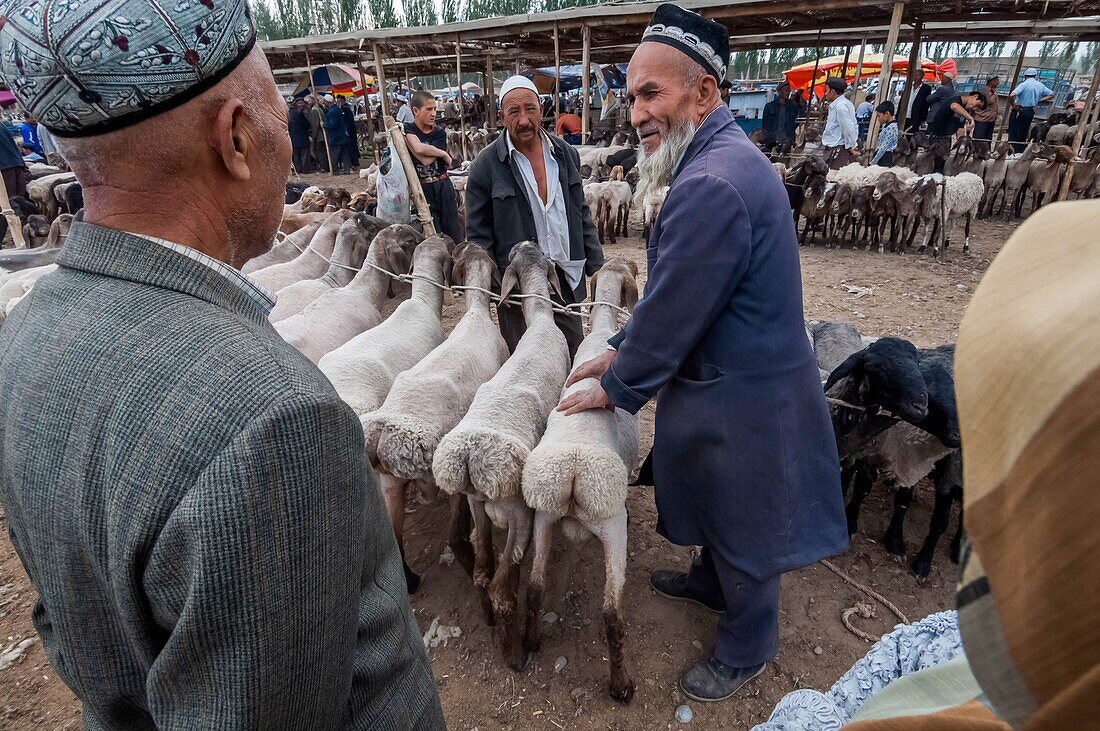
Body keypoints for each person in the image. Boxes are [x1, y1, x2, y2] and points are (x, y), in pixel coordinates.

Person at [0, 0, 444, 727]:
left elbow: (71, 623)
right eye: (274, 108)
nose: (289, 147)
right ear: (236, 138)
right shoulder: (273, 419)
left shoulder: (24, 338)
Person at [557, 3, 845, 703]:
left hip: (744, 393)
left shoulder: (713, 181)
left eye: (651, 92)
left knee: (745, 517)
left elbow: (680, 304)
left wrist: (619, 382)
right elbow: (678, 294)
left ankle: (749, 642)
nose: (636, 112)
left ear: (705, 92)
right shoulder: (718, 161)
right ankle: (711, 583)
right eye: (631, 96)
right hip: (736, 377)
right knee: (721, 501)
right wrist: (622, 344)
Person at [465, 76, 602, 359]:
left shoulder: (564, 154)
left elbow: (580, 211)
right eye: (514, 112)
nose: (524, 119)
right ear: (502, 116)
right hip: (518, 287)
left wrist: (596, 265)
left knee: (573, 355)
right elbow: (479, 240)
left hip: (565, 275)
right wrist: (498, 290)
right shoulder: (485, 166)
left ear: (542, 109)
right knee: (526, 361)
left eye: (530, 109)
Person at [404, 90, 461, 242]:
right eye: (429, 109)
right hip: (423, 189)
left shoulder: (439, 133)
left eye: (435, 109)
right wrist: (443, 154)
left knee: (452, 232)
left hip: (443, 186)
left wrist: (410, 145)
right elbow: (420, 151)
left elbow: (426, 159)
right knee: (432, 233)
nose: (433, 113)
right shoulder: (408, 128)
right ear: (415, 111)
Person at [1008, 68, 1054, 153]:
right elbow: (1052, 94)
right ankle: (1020, 152)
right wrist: (1039, 101)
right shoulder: (1040, 85)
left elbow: (1012, 95)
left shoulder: (1024, 84)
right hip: (1030, 111)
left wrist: (1013, 105)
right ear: (1035, 76)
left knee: (1014, 132)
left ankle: (1012, 151)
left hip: (1019, 110)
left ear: (1025, 76)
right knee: (1024, 132)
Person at [821, 77, 860, 169]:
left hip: (837, 149)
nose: (825, 94)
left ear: (832, 92)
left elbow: (848, 129)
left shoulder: (840, 107)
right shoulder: (844, 104)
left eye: (826, 90)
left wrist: (851, 147)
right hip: (834, 147)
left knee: (832, 177)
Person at [761, 82, 798, 152]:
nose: (788, 93)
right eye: (786, 90)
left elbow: (795, 122)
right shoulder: (769, 107)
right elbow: (764, 125)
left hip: (787, 141)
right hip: (772, 141)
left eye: (789, 91)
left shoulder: (793, 106)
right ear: (780, 92)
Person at [324, 93, 350, 174]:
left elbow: (333, 124)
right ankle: (347, 169)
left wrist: (324, 125)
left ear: (327, 102)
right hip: (341, 135)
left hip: (335, 137)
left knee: (335, 154)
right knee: (344, 154)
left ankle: (335, 170)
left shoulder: (332, 111)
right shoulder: (337, 109)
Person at [971, 76, 1000, 150]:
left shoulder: (993, 92)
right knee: (978, 141)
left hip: (990, 120)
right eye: (996, 80)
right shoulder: (983, 92)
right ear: (991, 81)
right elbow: (975, 105)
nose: (998, 81)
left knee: (987, 141)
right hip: (982, 120)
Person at [288, 97, 312, 173]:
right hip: (302, 137)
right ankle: (305, 170)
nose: (301, 105)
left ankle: (298, 170)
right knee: (304, 155)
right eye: (299, 103)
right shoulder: (299, 113)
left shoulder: (289, 112)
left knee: (296, 155)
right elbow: (306, 124)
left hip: (293, 137)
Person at [870, 101, 898, 166]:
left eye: (879, 116)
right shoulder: (886, 126)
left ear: (887, 113)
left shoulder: (892, 128)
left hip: (884, 157)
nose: (878, 119)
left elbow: (883, 147)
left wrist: (873, 162)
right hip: (881, 155)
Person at [307, 95, 329, 172]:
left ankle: (324, 166)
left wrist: (313, 136)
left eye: (310, 100)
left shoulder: (315, 110)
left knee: (320, 152)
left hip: (319, 136)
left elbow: (315, 125)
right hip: (322, 135)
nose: (308, 102)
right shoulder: (319, 109)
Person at [338, 94, 359, 171]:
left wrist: (346, 130)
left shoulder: (345, 109)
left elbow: (347, 121)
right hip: (350, 131)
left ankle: (353, 163)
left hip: (349, 131)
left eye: (338, 100)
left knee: (351, 147)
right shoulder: (344, 108)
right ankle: (353, 163)